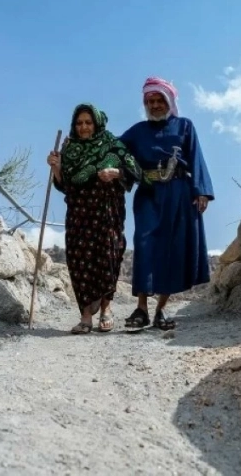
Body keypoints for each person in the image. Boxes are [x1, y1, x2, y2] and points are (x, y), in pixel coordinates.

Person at [119, 77, 214, 330]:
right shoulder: (137, 131)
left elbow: (196, 158)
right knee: (144, 243)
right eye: (150, 101)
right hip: (148, 194)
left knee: (173, 249)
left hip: (179, 194)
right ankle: (141, 309)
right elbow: (112, 148)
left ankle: (160, 310)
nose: (155, 105)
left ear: (169, 101)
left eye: (159, 100)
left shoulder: (184, 126)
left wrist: (201, 191)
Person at [47, 103, 142, 334]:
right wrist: (57, 168)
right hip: (79, 215)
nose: (83, 127)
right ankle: (86, 316)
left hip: (107, 213)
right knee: (79, 261)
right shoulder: (69, 149)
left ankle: (107, 309)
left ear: (97, 123)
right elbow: (64, 185)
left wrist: (115, 173)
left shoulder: (113, 145)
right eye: (79, 123)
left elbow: (135, 172)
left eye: (88, 122)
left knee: (107, 257)